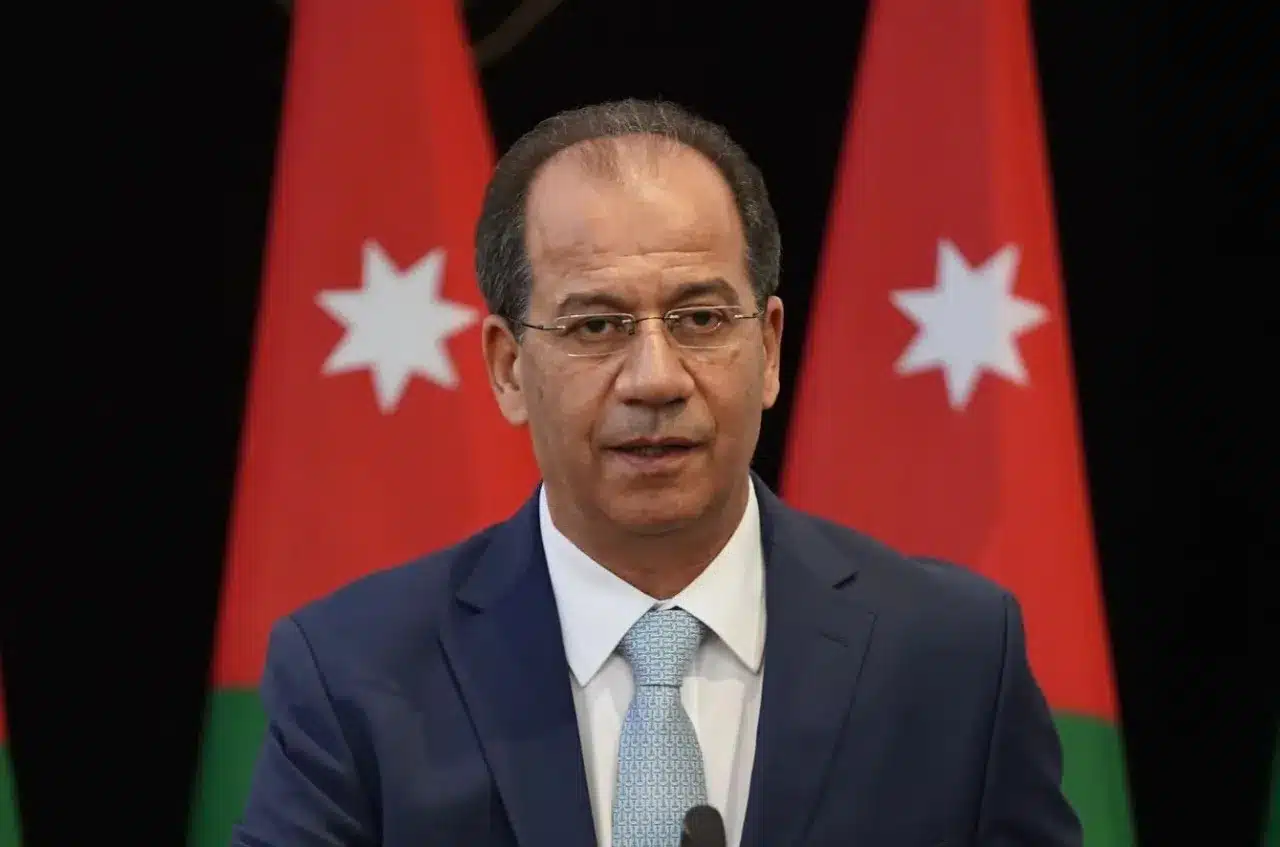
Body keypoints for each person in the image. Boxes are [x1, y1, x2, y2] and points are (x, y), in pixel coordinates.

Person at [233, 99, 1082, 847]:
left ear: (769, 349)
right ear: (507, 367)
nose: (656, 378)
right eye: (596, 326)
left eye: (700, 318)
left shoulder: (954, 657)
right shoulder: (355, 672)